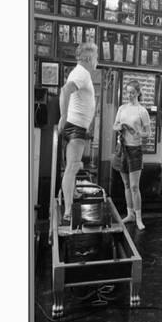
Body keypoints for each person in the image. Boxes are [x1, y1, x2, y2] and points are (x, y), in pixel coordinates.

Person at [58, 41, 98, 225]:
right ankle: (68, 210)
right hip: (74, 126)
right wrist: (63, 116)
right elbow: (65, 90)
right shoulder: (81, 73)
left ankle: (72, 193)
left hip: (77, 126)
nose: (97, 60)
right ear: (89, 58)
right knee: (73, 167)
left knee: (72, 167)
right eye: (96, 56)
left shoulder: (80, 73)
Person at [113, 80, 151, 230]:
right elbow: (114, 125)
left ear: (138, 93)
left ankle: (139, 219)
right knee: (127, 185)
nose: (129, 95)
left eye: (132, 92)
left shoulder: (142, 111)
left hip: (135, 150)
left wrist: (137, 132)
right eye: (128, 92)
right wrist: (120, 126)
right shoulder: (122, 108)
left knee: (135, 186)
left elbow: (148, 133)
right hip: (122, 149)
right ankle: (130, 214)